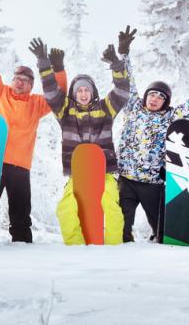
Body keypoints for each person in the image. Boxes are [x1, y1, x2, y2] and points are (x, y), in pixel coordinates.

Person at [30, 35, 129, 245]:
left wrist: (116, 64)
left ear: (92, 92)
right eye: (79, 90)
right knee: (65, 208)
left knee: (110, 204)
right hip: (78, 173)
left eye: (87, 89)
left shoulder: (105, 108)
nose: (83, 93)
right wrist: (44, 63)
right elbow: (50, 91)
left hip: (105, 172)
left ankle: (114, 246)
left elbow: (122, 90)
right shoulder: (65, 111)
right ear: (75, 93)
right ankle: (75, 247)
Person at [116, 26, 189, 243]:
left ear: (165, 101)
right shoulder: (133, 108)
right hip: (127, 180)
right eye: (152, 94)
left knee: (162, 233)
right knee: (121, 230)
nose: (155, 99)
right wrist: (124, 53)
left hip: (152, 183)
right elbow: (126, 82)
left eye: (160, 97)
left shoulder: (171, 116)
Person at [0, 21, 67, 243]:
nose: (20, 83)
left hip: (20, 165)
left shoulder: (37, 104)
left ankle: (22, 245)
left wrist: (58, 68)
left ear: (31, 86)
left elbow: (59, 95)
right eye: (17, 78)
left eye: (26, 81)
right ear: (12, 80)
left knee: (20, 212)